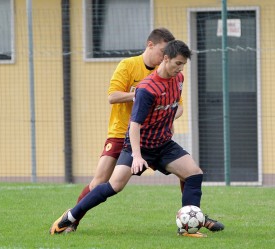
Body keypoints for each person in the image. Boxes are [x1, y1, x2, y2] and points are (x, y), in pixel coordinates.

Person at [50, 40, 225, 235]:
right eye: (177, 63)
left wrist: (168, 120)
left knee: (194, 173)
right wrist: (137, 155)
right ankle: (70, 217)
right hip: (140, 145)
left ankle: (188, 228)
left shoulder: (179, 79)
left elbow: (174, 106)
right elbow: (134, 125)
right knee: (113, 186)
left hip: (163, 144)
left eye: (183, 64)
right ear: (165, 59)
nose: (180, 68)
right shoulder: (147, 88)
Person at [60, 27, 178, 233]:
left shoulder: (168, 73)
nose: (164, 57)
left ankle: (191, 216)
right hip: (120, 133)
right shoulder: (128, 65)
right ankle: (72, 220)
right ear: (150, 45)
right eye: (162, 51)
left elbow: (179, 105)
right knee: (99, 182)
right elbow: (112, 96)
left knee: (189, 173)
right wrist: (141, 95)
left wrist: (166, 115)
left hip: (152, 137)